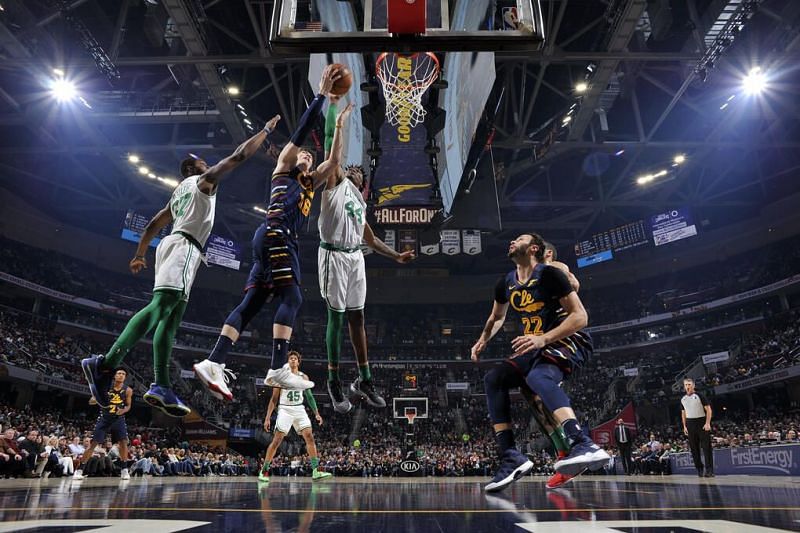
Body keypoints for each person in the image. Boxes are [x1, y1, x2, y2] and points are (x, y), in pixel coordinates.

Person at [81, 115, 282, 416]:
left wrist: (139, 254)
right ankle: (105, 364)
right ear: (192, 168)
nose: (206, 163)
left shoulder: (177, 194)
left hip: (173, 246)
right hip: (185, 247)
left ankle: (161, 383)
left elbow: (151, 224)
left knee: (170, 320)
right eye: (201, 161)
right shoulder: (202, 182)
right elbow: (239, 156)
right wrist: (264, 131)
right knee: (161, 308)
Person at [194, 65, 346, 398]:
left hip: (269, 239)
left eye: (310, 155)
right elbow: (302, 131)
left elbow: (333, 162)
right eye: (304, 154)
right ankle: (278, 368)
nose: (307, 154)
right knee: (292, 296)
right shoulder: (283, 170)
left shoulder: (309, 184)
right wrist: (321, 95)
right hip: (277, 234)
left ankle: (214, 361)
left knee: (252, 302)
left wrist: (337, 117)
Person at [471, 233, 609, 492]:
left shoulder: (551, 271)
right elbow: (496, 317)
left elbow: (580, 316)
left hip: (565, 338)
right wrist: (483, 340)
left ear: (536, 249)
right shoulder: (506, 283)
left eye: (519, 238)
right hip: (535, 345)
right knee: (495, 379)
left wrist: (542, 338)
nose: (512, 240)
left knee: (537, 379)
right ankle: (513, 457)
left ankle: (583, 443)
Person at [319, 101, 415, 413]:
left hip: (355, 259)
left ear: (365, 186)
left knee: (358, 317)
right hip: (333, 255)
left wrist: (396, 255)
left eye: (359, 171)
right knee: (336, 317)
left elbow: (370, 239)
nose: (354, 170)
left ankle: (364, 379)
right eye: (351, 168)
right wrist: (338, 121)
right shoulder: (335, 185)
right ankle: (333, 380)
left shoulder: (360, 204)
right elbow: (333, 156)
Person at [258, 351, 332, 483]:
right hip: (285, 409)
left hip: (299, 408)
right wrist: (268, 417)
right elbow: (274, 399)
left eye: (295, 358)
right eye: (290, 358)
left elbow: (309, 397)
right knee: (277, 440)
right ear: (288, 361)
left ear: (298, 362)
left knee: (309, 436)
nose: (292, 360)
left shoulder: (304, 377)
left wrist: (316, 413)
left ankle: (316, 471)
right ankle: (264, 470)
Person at [74, 368, 133, 480]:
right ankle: (79, 470)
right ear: (114, 376)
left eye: (123, 374)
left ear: (125, 377)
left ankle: (124, 470)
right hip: (104, 418)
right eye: (119, 373)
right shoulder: (105, 388)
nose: (121, 375)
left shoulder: (128, 390)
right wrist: (97, 399)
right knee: (93, 444)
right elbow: (91, 401)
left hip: (118, 418)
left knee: (123, 442)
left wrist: (123, 410)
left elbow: (128, 406)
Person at [680, 377, 714, 477]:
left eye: (689, 384)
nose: (687, 387)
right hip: (690, 424)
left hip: (702, 422)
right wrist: (684, 426)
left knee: (706, 447)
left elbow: (709, 410)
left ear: (693, 385)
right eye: (686, 385)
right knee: (694, 448)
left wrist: (707, 423)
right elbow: (683, 413)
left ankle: (709, 470)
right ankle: (699, 468)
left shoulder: (700, 395)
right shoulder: (683, 399)